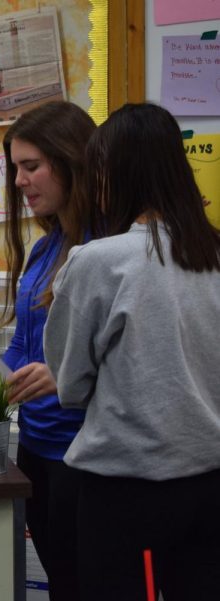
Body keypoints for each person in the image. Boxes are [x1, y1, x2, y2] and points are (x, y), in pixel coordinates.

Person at [44, 103, 220, 600]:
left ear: (113, 175)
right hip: (210, 482)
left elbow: (69, 385)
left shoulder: (101, 261)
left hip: (130, 490)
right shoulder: (214, 251)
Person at [0, 100, 96, 601]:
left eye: (31, 166)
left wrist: (64, 372)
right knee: (62, 584)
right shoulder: (44, 248)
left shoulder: (108, 249)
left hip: (83, 457)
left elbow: (129, 357)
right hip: (34, 451)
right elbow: (23, 345)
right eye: (16, 168)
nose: (19, 181)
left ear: (71, 160)